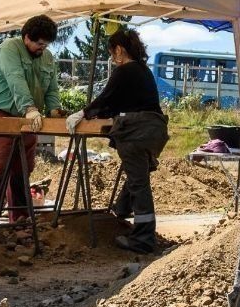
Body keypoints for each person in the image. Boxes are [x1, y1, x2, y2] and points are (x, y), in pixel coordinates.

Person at [66, 28, 168, 253]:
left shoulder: (125, 71)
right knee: (137, 176)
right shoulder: (143, 71)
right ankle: (121, 210)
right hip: (154, 131)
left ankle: (143, 239)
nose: (113, 59)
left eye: (113, 53)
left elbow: (106, 98)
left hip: (137, 132)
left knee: (139, 183)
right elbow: (122, 102)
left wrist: (83, 113)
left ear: (120, 49)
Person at [0, 15, 62, 226]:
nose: (43, 48)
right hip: (0, 114)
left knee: (22, 169)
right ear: (26, 38)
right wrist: (30, 108)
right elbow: (16, 79)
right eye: (39, 43)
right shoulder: (9, 48)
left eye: (46, 44)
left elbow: (51, 88)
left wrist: (54, 110)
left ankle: (21, 220)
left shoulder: (47, 57)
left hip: (27, 120)